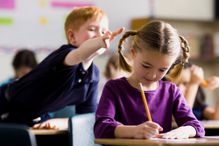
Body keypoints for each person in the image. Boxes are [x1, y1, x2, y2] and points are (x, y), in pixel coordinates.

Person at [0, 6, 123, 126]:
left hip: (36, 116)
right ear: (72, 37)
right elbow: (80, 54)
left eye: (103, 31)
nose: (100, 36)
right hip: (6, 104)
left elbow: (87, 117)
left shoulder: (93, 75)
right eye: (92, 29)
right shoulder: (66, 55)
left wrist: (62, 122)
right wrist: (97, 42)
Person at [94, 20, 205, 139]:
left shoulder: (171, 91)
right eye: (146, 66)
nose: (152, 75)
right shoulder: (114, 88)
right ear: (133, 53)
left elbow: (196, 127)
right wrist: (134, 131)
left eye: (162, 70)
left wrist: (185, 130)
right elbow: (101, 128)